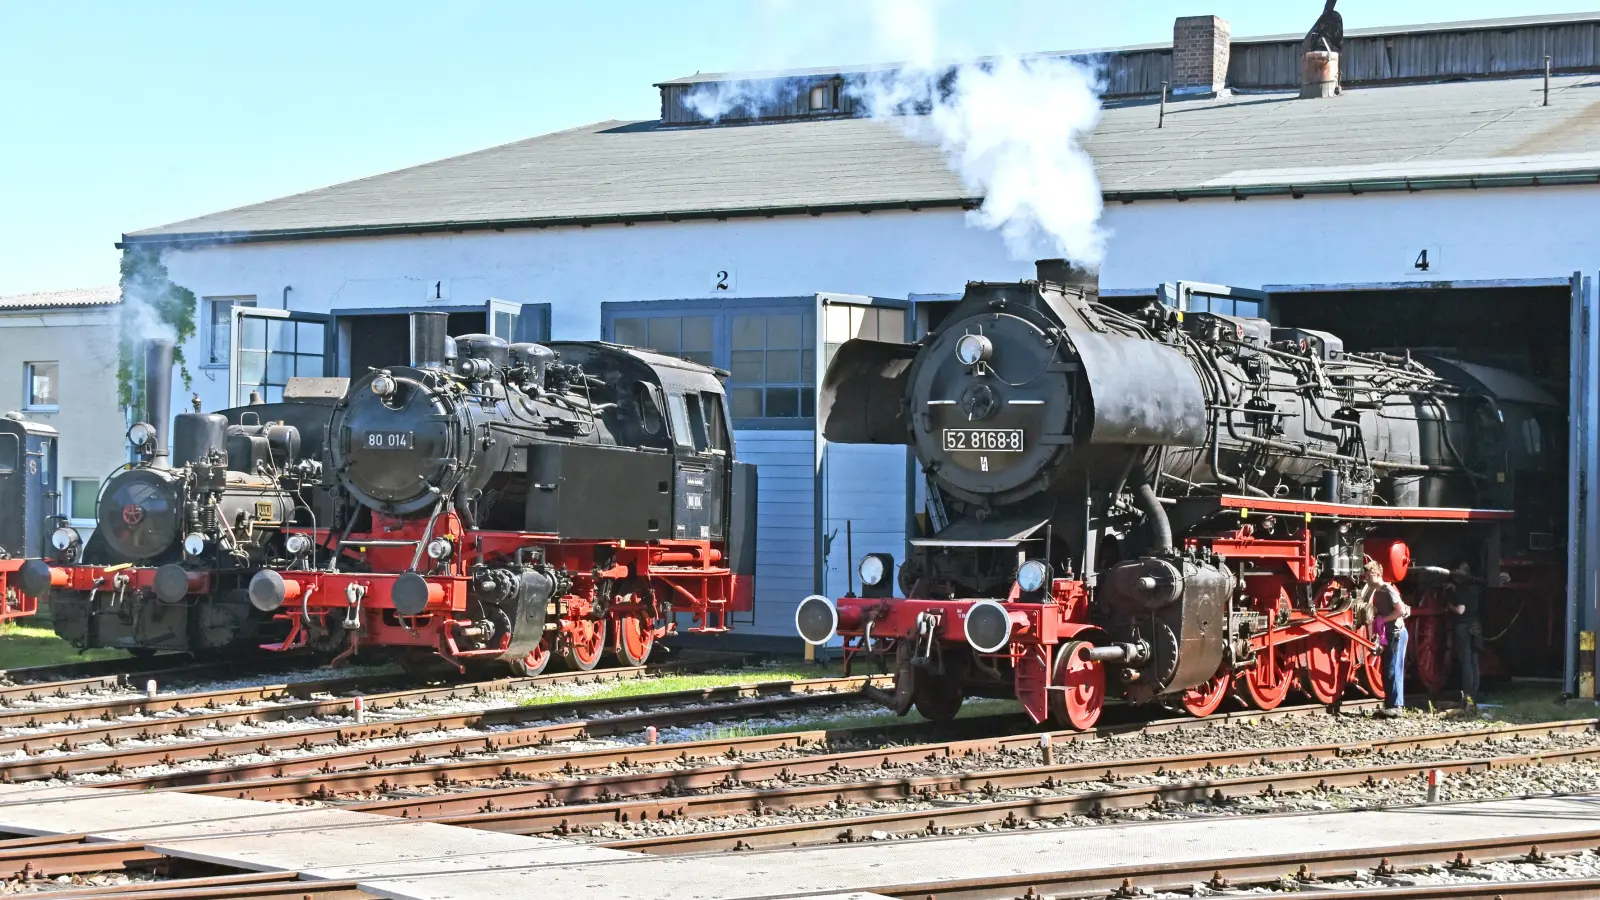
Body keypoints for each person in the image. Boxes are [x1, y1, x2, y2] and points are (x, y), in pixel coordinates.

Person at [1361, 560, 1409, 717]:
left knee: (1393, 668)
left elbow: (1400, 610)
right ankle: (1390, 704)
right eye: (1365, 576)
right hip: (1388, 632)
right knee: (1387, 668)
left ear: (1377, 574)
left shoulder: (1388, 589)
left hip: (1396, 632)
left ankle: (1396, 705)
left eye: (1369, 575)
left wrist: (1383, 620)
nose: (1366, 579)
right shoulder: (1377, 591)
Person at [1448, 561, 1485, 704]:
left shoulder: (1461, 589)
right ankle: (1473, 696)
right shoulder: (1475, 588)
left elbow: (1460, 610)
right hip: (1475, 625)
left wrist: (1449, 605)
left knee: (1465, 663)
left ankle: (1467, 695)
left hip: (1463, 626)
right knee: (1474, 662)